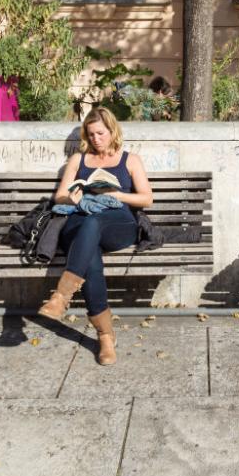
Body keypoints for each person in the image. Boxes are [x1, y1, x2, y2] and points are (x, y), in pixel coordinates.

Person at [38, 106, 153, 365]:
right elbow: (60, 196)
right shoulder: (79, 160)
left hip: (118, 224)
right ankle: (105, 337)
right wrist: (73, 196)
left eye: (100, 133)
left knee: (94, 224)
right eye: (91, 135)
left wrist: (117, 195)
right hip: (80, 223)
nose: (96, 139)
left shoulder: (130, 160)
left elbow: (147, 198)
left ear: (112, 131)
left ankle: (62, 297)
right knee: (90, 251)